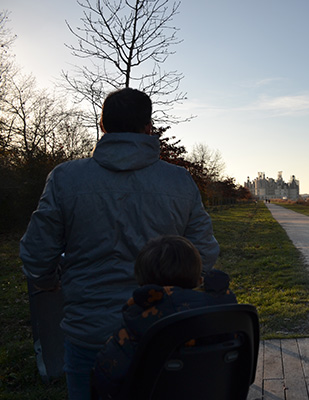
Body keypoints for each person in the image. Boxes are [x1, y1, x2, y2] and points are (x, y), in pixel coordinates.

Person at [20, 88, 220, 399]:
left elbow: (37, 254)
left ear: (102, 125)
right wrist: (178, 290)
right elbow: (204, 251)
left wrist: (48, 282)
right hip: (161, 331)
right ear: (148, 128)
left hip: (88, 333)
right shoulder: (179, 181)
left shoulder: (65, 178)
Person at [93, 235, 237, 399]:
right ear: (198, 277)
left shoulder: (137, 322)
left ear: (143, 284)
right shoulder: (226, 313)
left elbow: (106, 378)